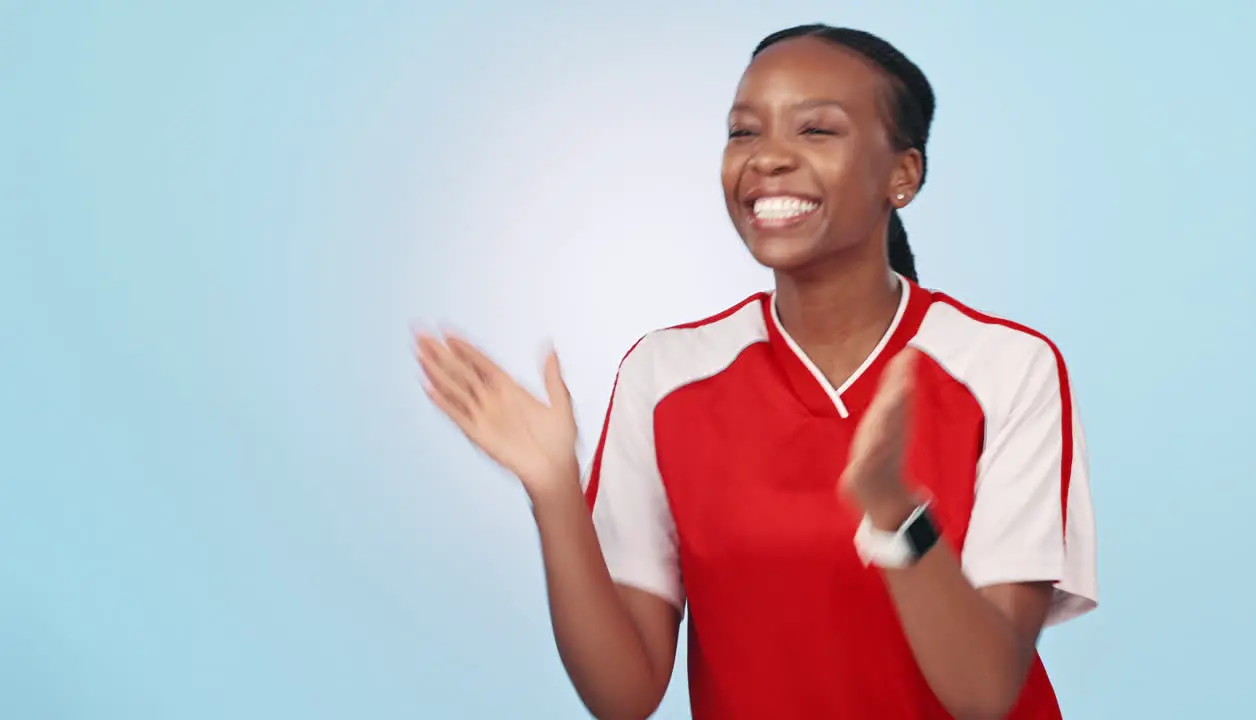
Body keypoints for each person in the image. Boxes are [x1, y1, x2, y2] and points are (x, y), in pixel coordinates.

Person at [416, 23, 1097, 720]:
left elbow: (985, 693)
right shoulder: (667, 376)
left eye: (816, 131)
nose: (767, 158)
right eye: (744, 133)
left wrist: (893, 511)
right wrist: (555, 492)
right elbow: (624, 695)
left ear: (903, 175)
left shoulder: (1005, 368)